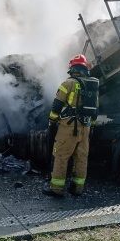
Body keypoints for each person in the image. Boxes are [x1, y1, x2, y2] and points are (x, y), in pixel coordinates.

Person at [42, 54, 99, 197]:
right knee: (81, 159)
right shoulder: (92, 86)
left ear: (72, 68)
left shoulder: (68, 84)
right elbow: (95, 111)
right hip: (85, 128)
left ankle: (56, 189)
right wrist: (91, 127)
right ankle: (77, 189)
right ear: (85, 68)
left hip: (68, 128)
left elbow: (56, 105)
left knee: (61, 156)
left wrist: (51, 122)